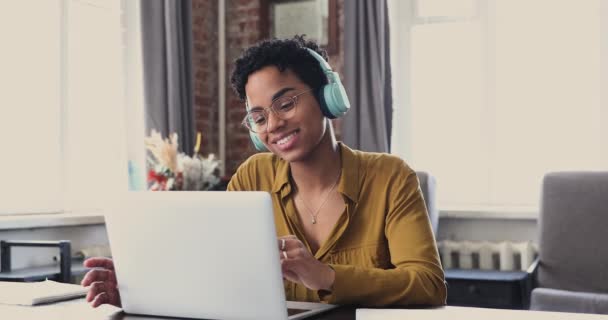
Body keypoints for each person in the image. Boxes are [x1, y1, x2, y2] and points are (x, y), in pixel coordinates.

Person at [82, 35, 446, 308]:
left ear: (326, 96)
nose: (273, 124)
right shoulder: (252, 177)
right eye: (258, 117)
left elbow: (428, 285)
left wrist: (325, 276)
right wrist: (137, 290)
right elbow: (216, 273)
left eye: (285, 103)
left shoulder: (390, 177)